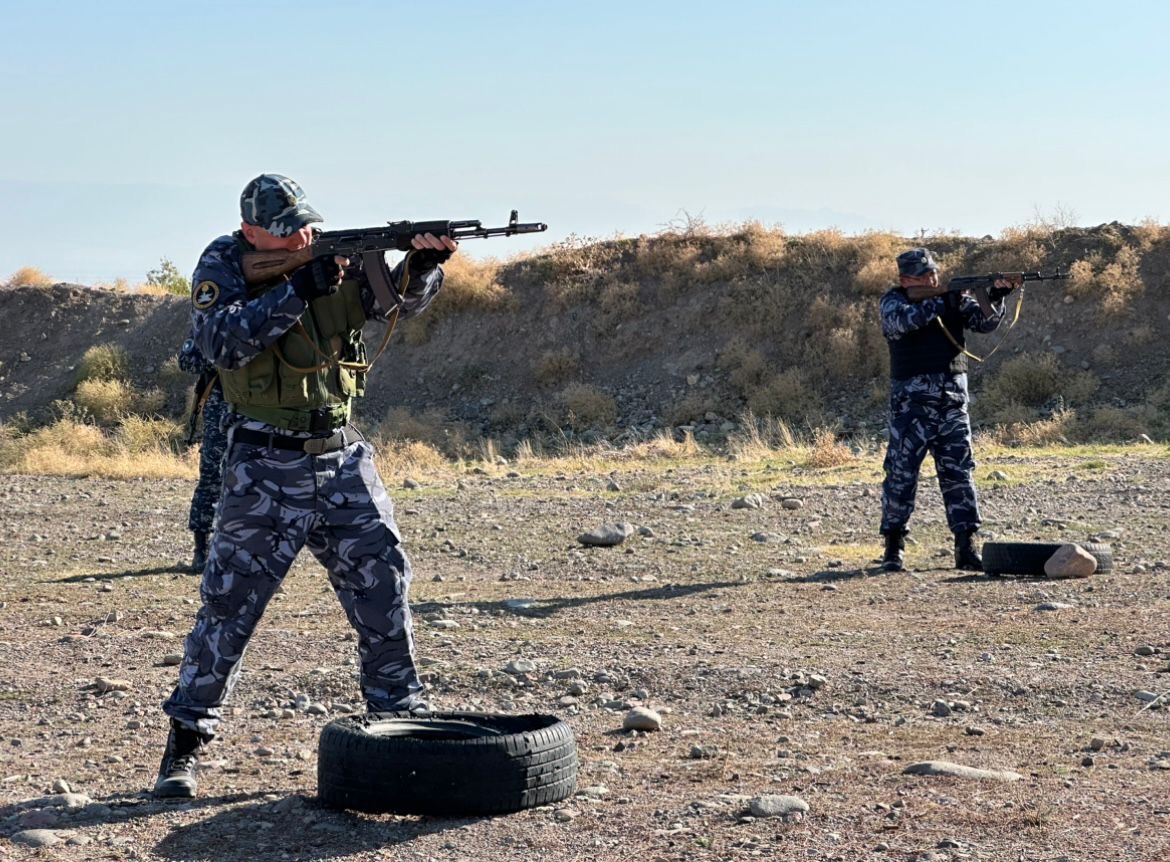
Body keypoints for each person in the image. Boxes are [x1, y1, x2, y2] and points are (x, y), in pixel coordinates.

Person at [154, 174, 456, 798]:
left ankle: (399, 722)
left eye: (306, 225)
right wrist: (297, 288)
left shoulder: (335, 258)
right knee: (229, 605)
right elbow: (219, 342)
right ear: (251, 233)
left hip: (343, 458)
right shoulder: (225, 262)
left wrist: (420, 266)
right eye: (286, 231)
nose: (302, 237)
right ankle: (183, 748)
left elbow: (391, 306)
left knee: (384, 585)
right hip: (266, 463)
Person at [878, 248, 1021, 573]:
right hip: (910, 408)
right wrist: (945, 299)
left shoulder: (955, 301)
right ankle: (893, 547)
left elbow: (986, 324)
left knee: (959, 474)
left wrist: (995, 295)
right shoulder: (894, 301)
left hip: (952, 403)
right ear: (905, 279)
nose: (932, 279)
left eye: (934, 274)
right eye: (923, 276)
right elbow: (903, 322)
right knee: (901, 476)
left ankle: (966, 546)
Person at [177, 336, 228, 574]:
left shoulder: (263, 316)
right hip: (220, 411)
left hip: (261, 412)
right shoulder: (213, 321)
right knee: (210, 480)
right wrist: (224, 354)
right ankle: (202, 551)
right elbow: (187, 361)